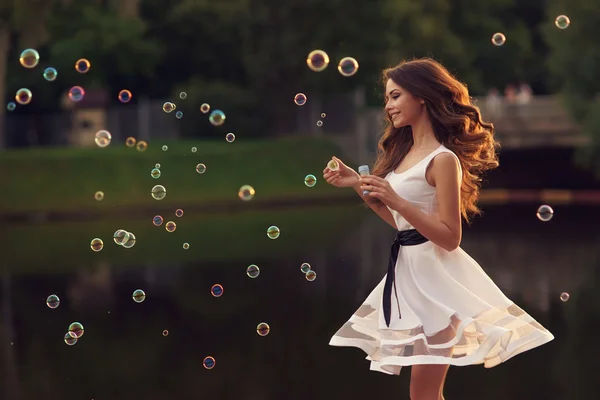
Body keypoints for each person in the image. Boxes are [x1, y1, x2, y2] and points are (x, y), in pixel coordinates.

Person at [322, 58, 554, 400]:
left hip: (439, 284)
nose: (388, 106)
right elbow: (407, 229)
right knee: (424, 392)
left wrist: (397, 201)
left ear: (422, 97)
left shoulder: (443, 160)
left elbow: (449, 237)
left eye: (396, 96)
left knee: (424, 392)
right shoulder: (405, 155)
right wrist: (359, 185)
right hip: (409, 277)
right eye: (387, 98)